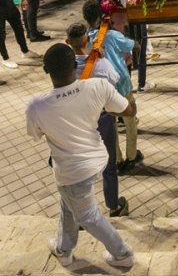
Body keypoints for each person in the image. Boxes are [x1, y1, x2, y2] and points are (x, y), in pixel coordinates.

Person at [27, 43, 136, 268]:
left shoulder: (36, 106)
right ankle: (63, 249)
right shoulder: (97, 86)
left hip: (72, 170)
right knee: (69, 204)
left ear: (46, 70)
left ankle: (122, 253)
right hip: (97, 157)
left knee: (88, 217)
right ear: (76, 64)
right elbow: (127, 109)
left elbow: (36, 134)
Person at [65, 22, 129, 218]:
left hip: (75, 121)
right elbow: (115, 79)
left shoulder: (65, 66)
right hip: (102, 118)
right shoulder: (101, 64)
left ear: (67, 42)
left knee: (82, 165)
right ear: (89, 39)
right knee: (109, 163)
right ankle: (113, 206)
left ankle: (83, 211)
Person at [83, 0, 139, 174]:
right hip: (122, 86)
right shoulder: (112, 35)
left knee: (111, 125)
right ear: (102, 16)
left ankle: (117, 159)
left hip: (102, 91)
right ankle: (131, 156)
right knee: (131, 120)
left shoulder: (84, 40)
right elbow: (133, 45)